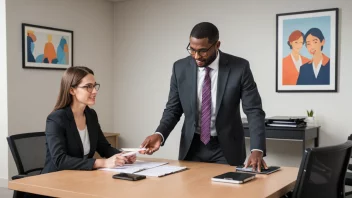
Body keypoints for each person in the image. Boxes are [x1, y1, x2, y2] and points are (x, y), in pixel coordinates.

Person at [140, 22, 267, 171]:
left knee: (224, 192)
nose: (196, 56)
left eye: (202, 51)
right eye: (192, 50)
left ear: (217, 45)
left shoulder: (240, 68)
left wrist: (257, 149)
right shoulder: (180, 68)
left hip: (226, 148)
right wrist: (159, 134)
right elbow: (173, 109)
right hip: (192, 146)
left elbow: (254, 111)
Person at [42, 66, 136, 175]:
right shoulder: (56, 118)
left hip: (80, 177)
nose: (95, 91)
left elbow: (103, 147)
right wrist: (102, 163)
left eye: (95, 86)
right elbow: (60, 160)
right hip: (55, 180)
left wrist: (122, 156)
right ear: (72, 90)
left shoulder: (91, 115)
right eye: (88, 87)